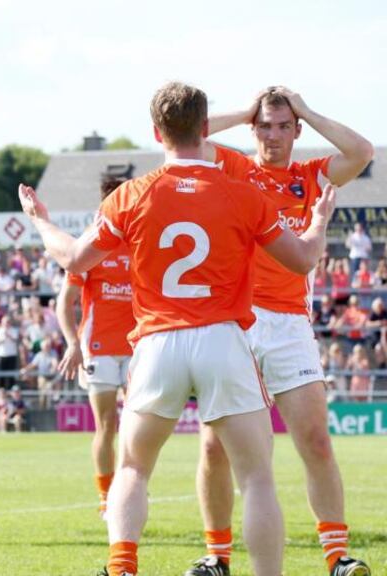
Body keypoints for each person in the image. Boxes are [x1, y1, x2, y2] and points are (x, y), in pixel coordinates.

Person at [19, 81, 333, 576]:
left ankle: (122, 565)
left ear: (155, 133)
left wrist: (40, 222)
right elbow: (302, 259)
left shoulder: (132, 195)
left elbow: (75, 257)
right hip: (223, 339)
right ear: (206, 130)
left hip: (158, 343)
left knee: (133, 467)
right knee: (256, 479)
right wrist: (317, 221)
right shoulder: (243, 192)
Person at [189, 86, 374, 576]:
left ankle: (336, 556)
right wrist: (246, 111)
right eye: (264, 125)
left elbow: (361, 152)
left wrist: (309, 110)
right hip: (233, 322)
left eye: (282, 125)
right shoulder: (234, 167)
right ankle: (217, 557)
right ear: (254, 128)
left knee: (315, 440)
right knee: (214, 446)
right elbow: (191, 134)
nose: (273, 135)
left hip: (290, 323)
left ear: (296, 130)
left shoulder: (311, 177)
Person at [56, 174, 135, 520]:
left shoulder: (142, 243)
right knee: (107, 425)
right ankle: (106, 497)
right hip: (99, 347)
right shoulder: (92, 247)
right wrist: (73, 342)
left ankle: (131, 487)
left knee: (136, 425)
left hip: (138, 348)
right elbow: (65, 302)